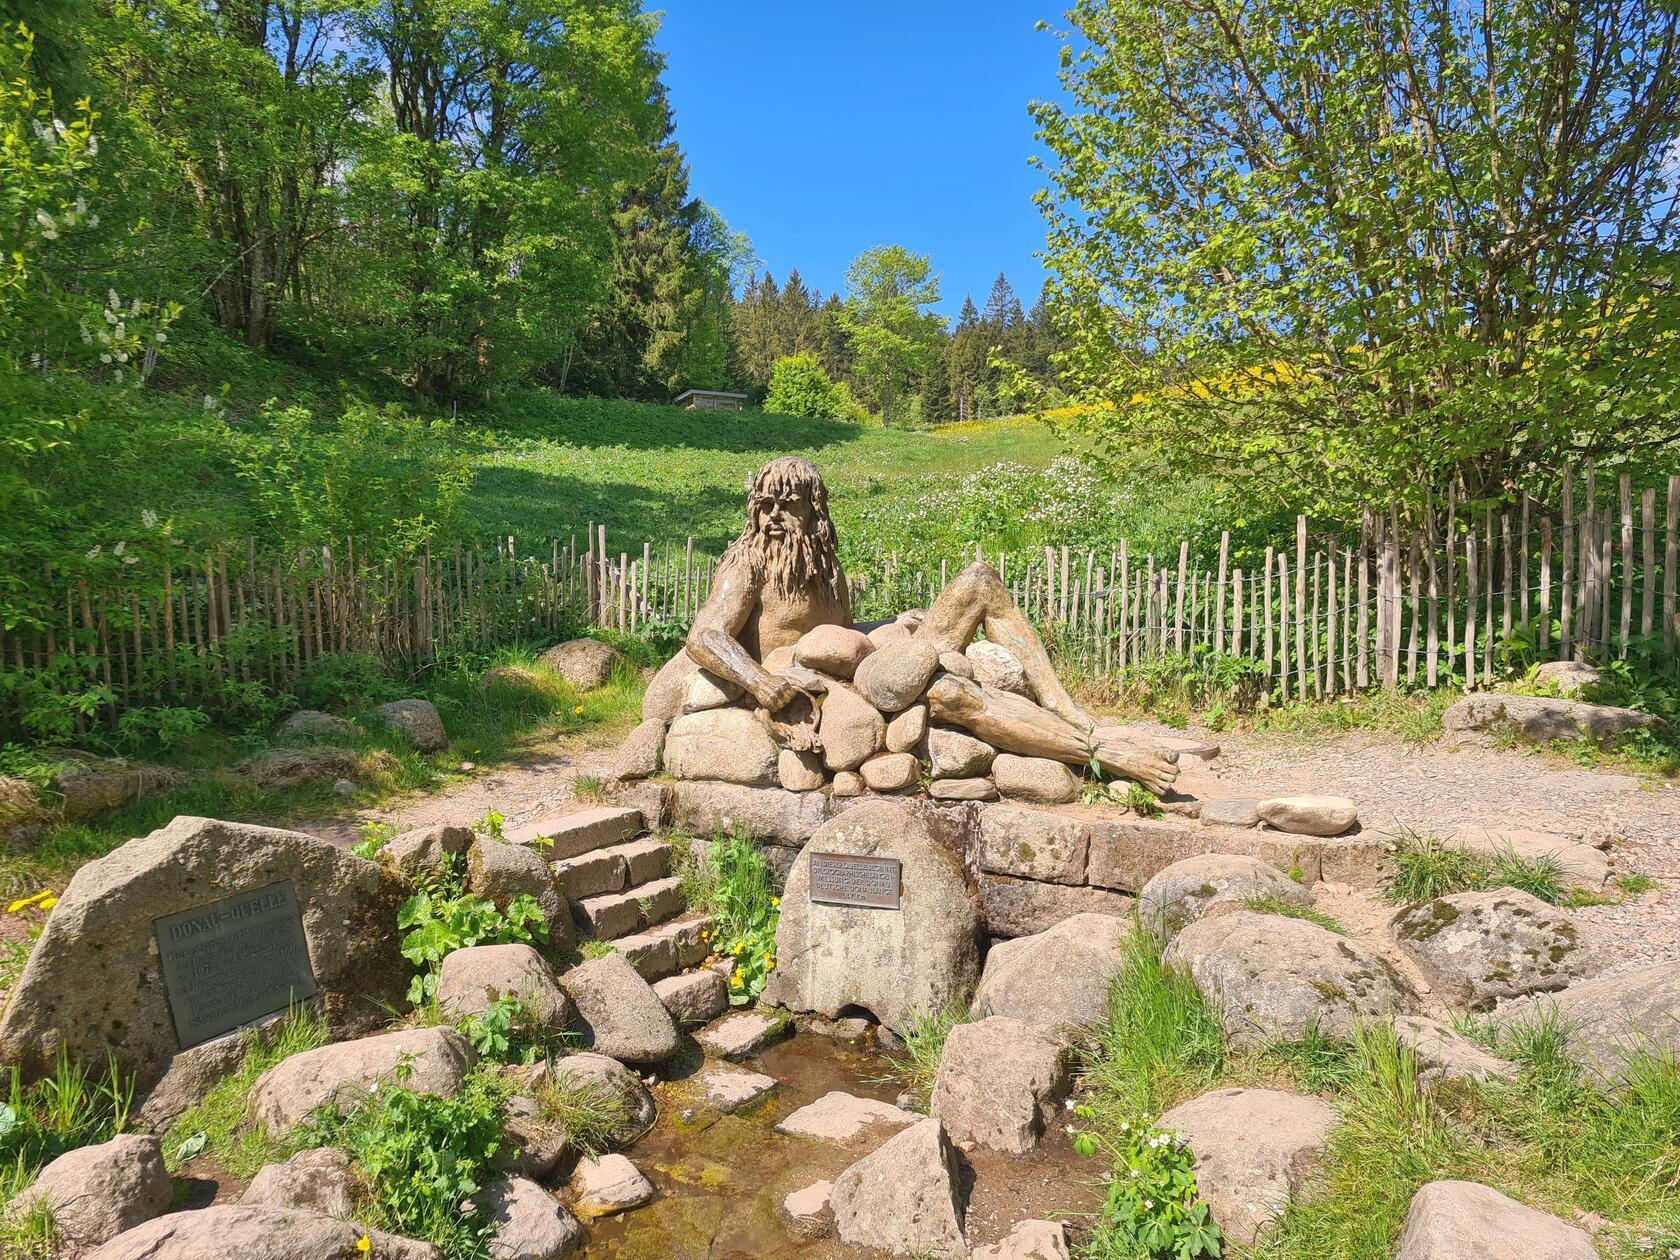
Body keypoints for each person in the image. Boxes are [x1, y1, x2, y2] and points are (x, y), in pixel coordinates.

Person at [684, 456, 1178, 792]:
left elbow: (843, 636)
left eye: (787, 504)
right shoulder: (747, 564)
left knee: (980, 579)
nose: (772, 516)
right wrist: (759, 682)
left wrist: (894, 621)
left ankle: (1066, 708)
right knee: (953, 693)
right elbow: (704, 635)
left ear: (815, 509)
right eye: (764, 505)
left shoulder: (824, 567)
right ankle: (1103, 755)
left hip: (867, 669)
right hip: (817, 689)